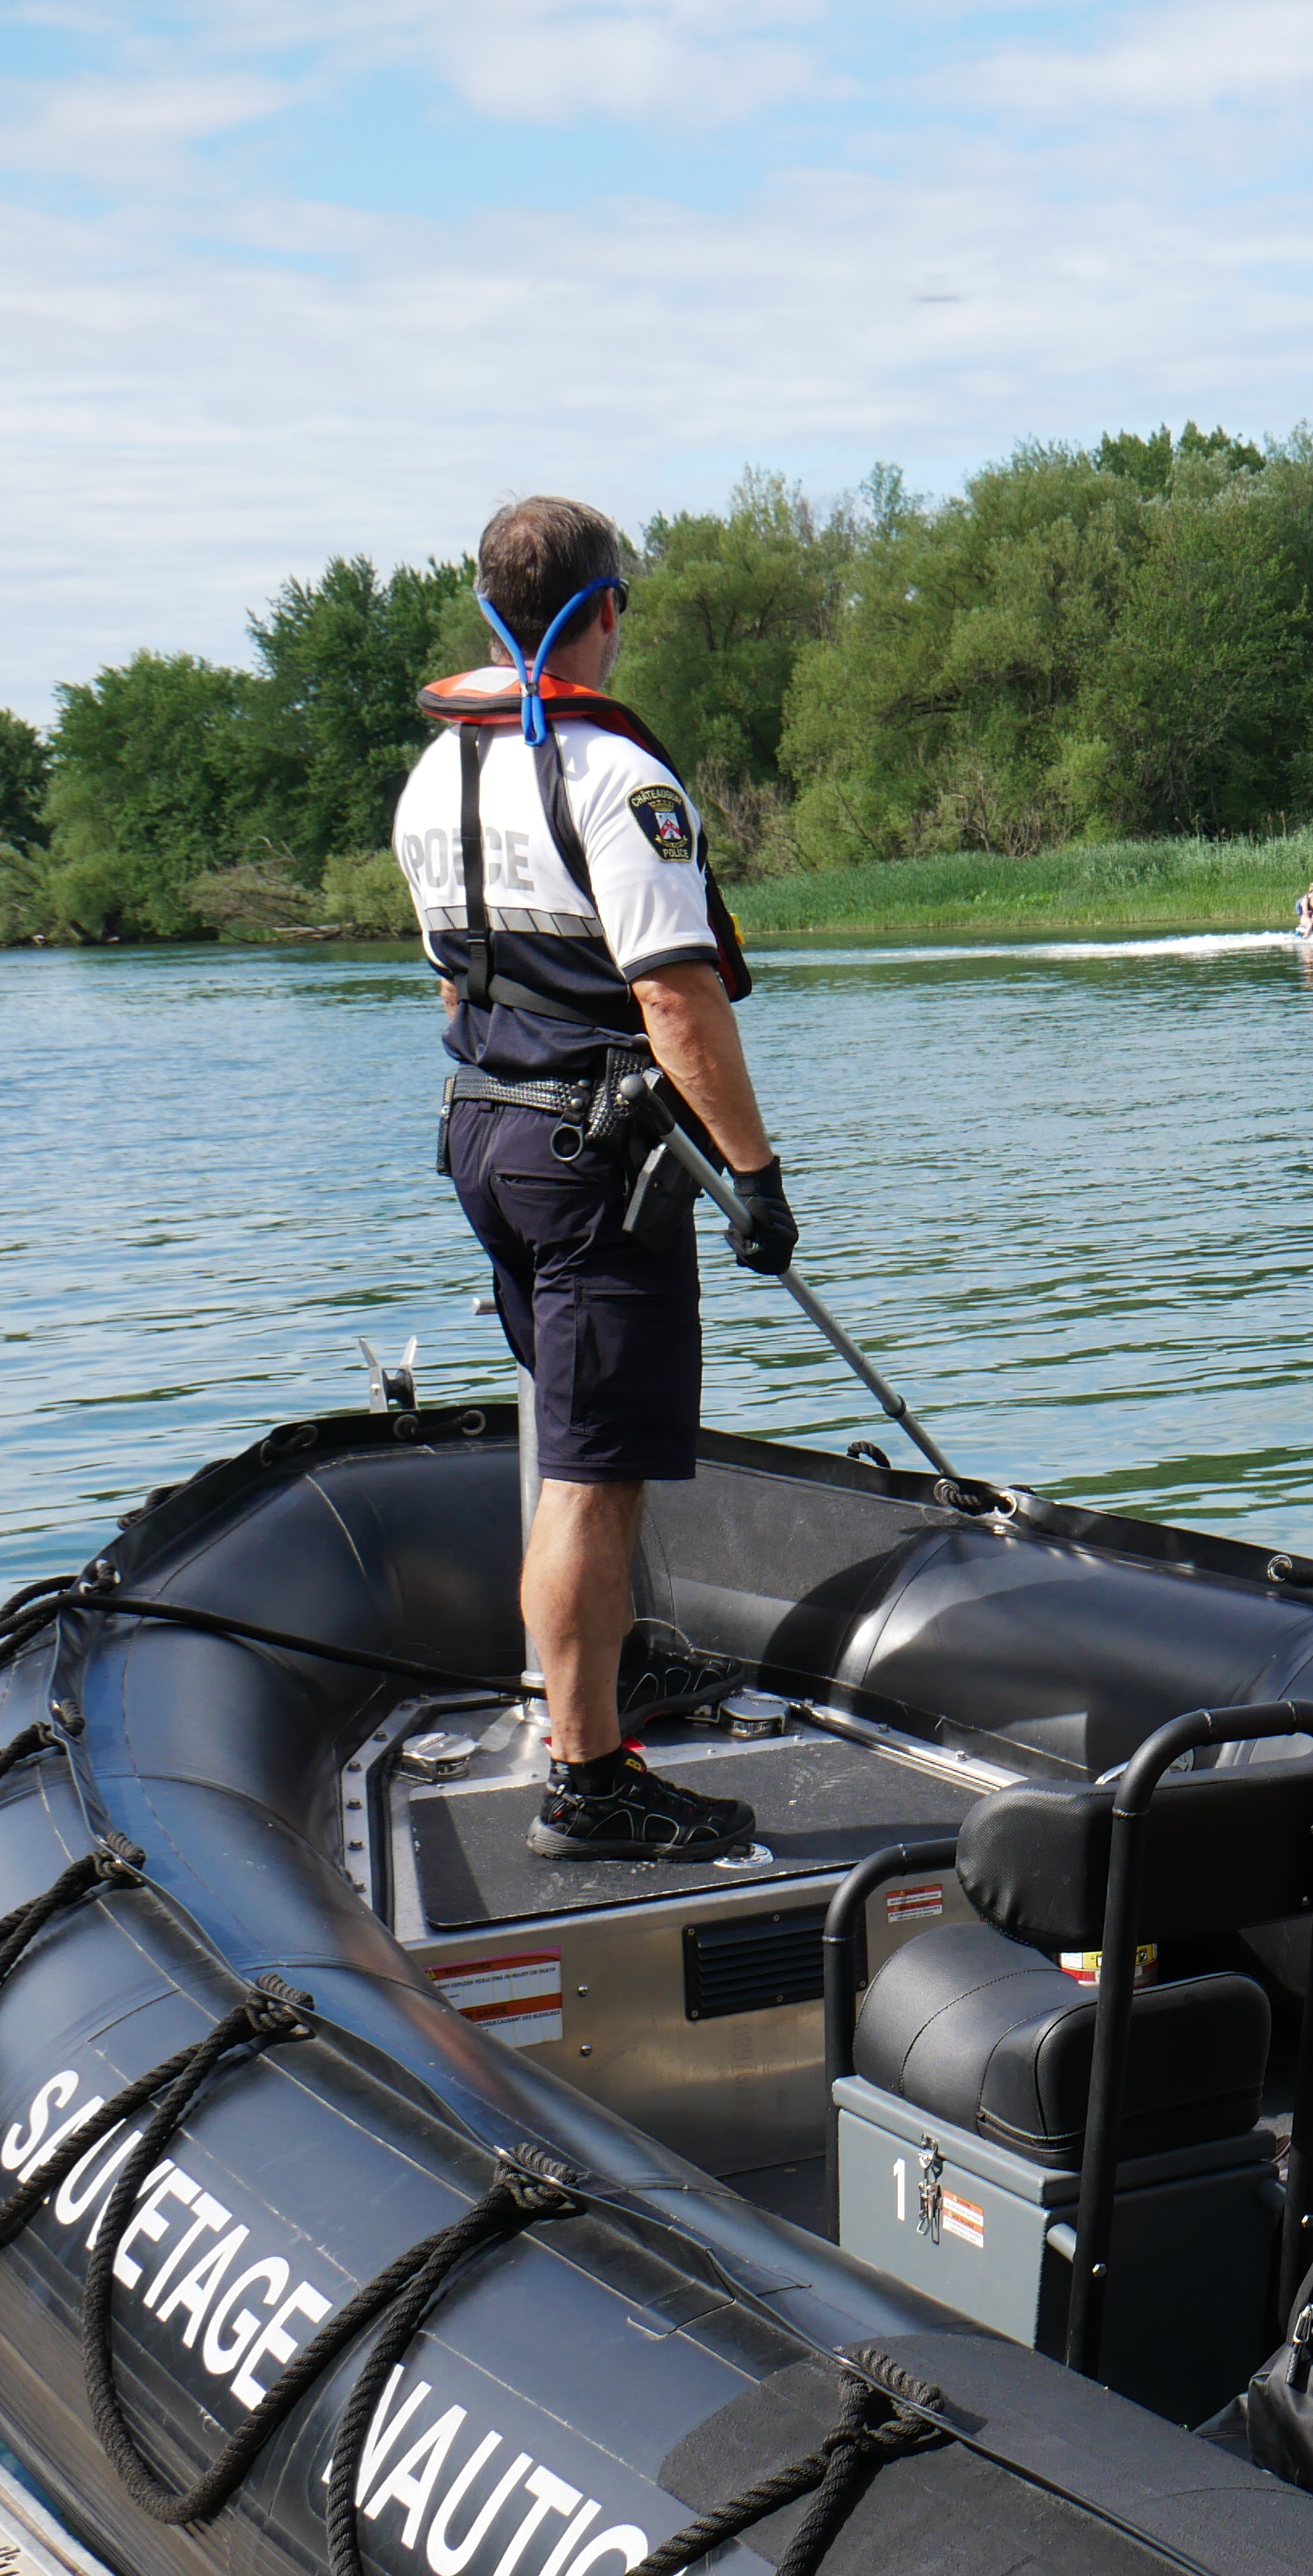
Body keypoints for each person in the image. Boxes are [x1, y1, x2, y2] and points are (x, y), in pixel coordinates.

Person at [394, 495, 801, 1859]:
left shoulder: (437, 777)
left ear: (490, 611)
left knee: (574, 1436)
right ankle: (588, 1775)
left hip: (483, 1129)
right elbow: (677, 999)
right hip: (593, 1158)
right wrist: (753, 1173)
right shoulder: (622, 785)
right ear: (605, 609)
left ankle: (598, 1681)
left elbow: (454, 976)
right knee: (590, 1472)